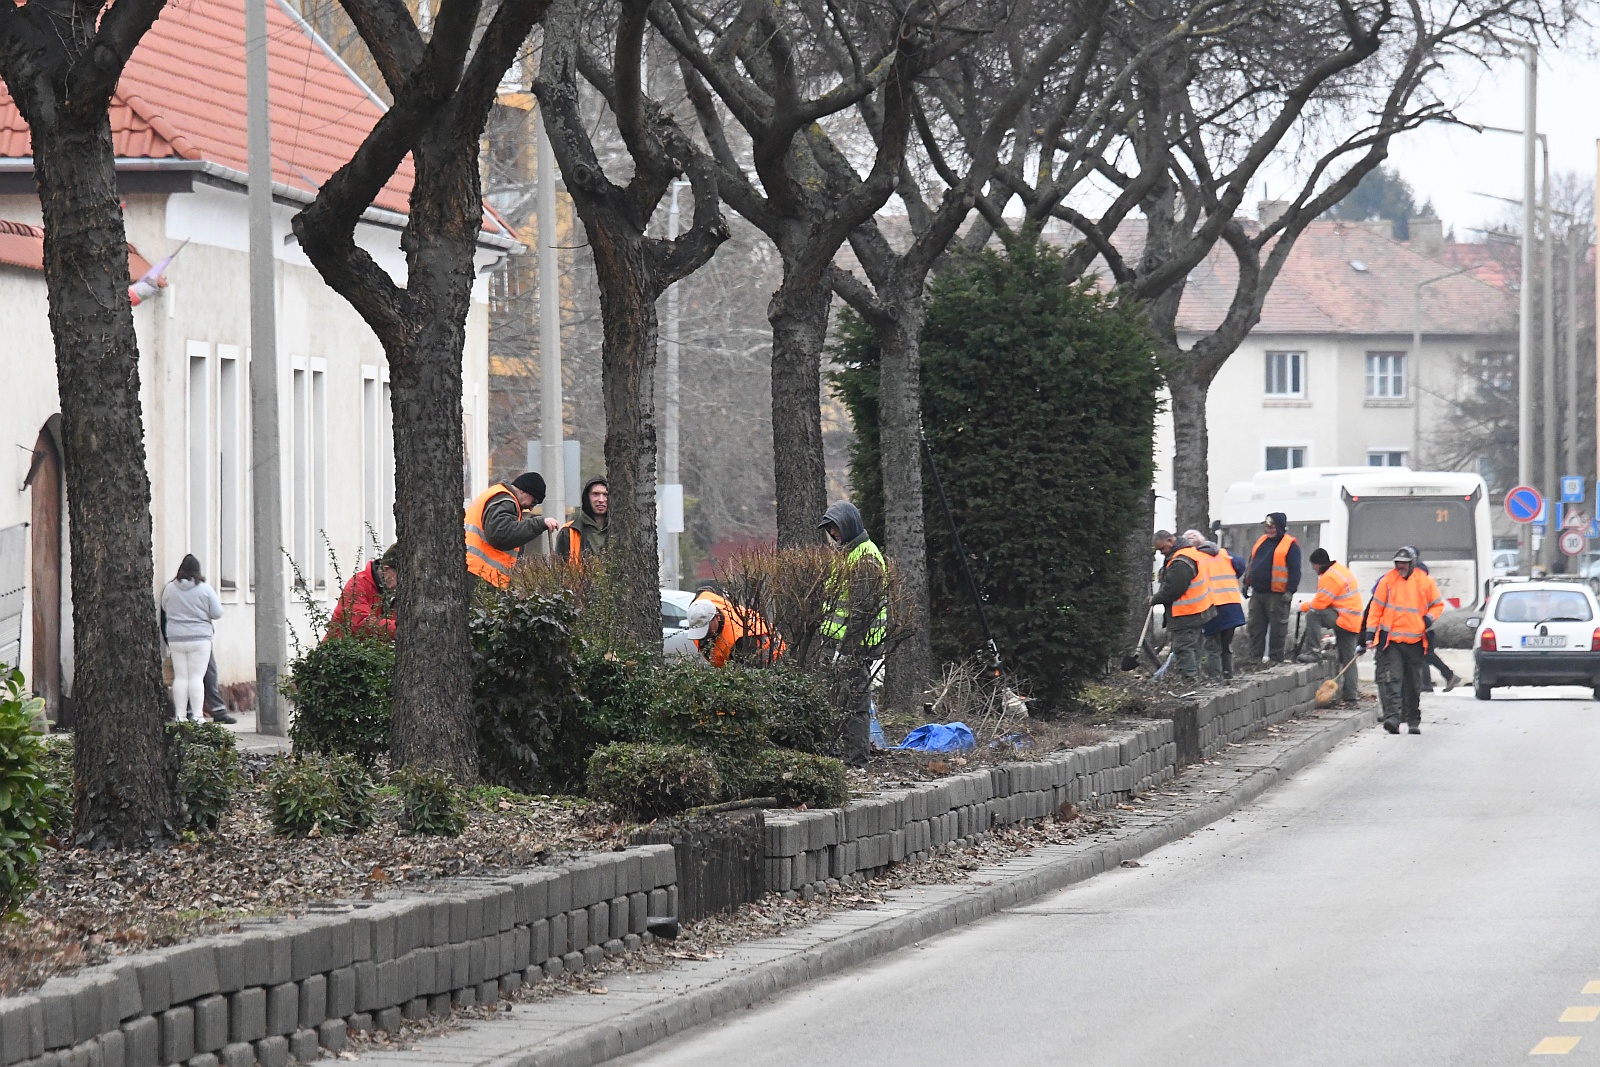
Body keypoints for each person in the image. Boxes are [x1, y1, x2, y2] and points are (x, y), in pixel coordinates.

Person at [818, 502, 887, 765]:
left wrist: (845, 652)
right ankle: (844, 755)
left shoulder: (864, 560)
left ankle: (856, 759)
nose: (834, 534)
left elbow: (861, 613)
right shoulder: (851, 555)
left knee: (855, 704)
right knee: (842, 701)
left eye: (835, 528)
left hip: (854, 647)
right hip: (842, 645)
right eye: (831, 530)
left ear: (848, 525)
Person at [1362, 546, 1444, 734]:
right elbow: (1376, 610)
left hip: (1415, 642)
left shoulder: (1425, 582)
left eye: (1404, 563)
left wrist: (1428, 619)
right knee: (1393, 680)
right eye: (1398, 563)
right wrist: (1369, 635)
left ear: (1412, 563)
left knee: (1413, 683)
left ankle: (1413, 720)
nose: (1400, 566)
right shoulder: (1387, 582)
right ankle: (1393, 718)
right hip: (1392, 642)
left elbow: (1437, 605)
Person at [464, 472, 559, 588]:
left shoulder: (496, 495)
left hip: (473, 570)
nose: (531, 508)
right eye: (533, 502)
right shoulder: (505, 501)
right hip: (481, 574)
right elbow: (500, 535)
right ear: (523, 490)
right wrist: (538, 523)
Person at [161, 554, 223, 723]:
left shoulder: (169, 588)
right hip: (200, 638)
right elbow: (217, 613)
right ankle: (197, 716)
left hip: (175, 638)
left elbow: (164, 607)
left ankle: (180, 716)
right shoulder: (205, 589)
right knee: (196, 677)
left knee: (180, 677)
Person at [1298, 548, 1363, 704]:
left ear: (1318, 564)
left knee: (1313, 613)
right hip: (1352, 620)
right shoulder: (1339, 570)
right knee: (1348, 659)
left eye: (1313, 566)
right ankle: (1350, 695)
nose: (1313, 569)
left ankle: (1314, 651)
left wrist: (1303, 606)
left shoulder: (1330, 577)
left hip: (1344, 618)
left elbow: (1320, 604)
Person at [1151, 530, 1215, 679]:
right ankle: (1194, 677)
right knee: (1193, 648)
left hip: (1187, 613)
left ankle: (1189, 678)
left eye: (1162, 549)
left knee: (1184, 648)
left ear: (1170, 541)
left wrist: (1154, 599)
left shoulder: (1181, 561)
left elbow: (1173, 590)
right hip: (1198, 610)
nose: (1161, 553)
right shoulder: (1188, 554)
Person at [1183, 529, 1244, 680]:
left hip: (1212, 606)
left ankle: (1216, 679)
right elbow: (1240, 565)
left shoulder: (1194, 558)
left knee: (1212, 647)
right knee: (1225, 645)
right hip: (1232, 604)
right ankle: (1228, 675)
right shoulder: (1224, 554)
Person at [1402, 546, 1463, 693]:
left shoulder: (1417, 577)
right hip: (1422, 621)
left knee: (1424, 652)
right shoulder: (1420, 575)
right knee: (1424, 653)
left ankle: (1440, 678)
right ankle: (1434, 681)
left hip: (1420, 622)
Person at [1244, 512, 1302, 663]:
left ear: (1280, 527)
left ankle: (1276, 661)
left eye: (1272, 526)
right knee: (1255, 628)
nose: (1269, 530)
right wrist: (1246, 582)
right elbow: (1251, 564)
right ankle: (1254, 660)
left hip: (1278, 595)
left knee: (1278, 630)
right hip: (1258, 593)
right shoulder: (1261, 542)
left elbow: (1295, 570)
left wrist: (1290, 590)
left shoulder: (1290, 545)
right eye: (1267, 526)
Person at [683, 590, 783, 667]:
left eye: (706, 627)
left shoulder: (738, 640)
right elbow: (705, 591)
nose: (704, 634)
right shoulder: (702, 602)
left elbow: (742, 675)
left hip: (770, 652)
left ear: (717, 617)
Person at [327, 542, 400, 640]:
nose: (401, 582)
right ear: (386, 569)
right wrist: (401, 630)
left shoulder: (390, 590)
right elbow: (361, 624)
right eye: (399, 576)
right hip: (340, 652)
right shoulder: (357, 584)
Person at [554, 477, 610, 564]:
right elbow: (559, 570)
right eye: (595, 494)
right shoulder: (569, 531)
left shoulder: (623, 530)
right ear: (587, 497)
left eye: (605, 494)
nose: (601, 500)